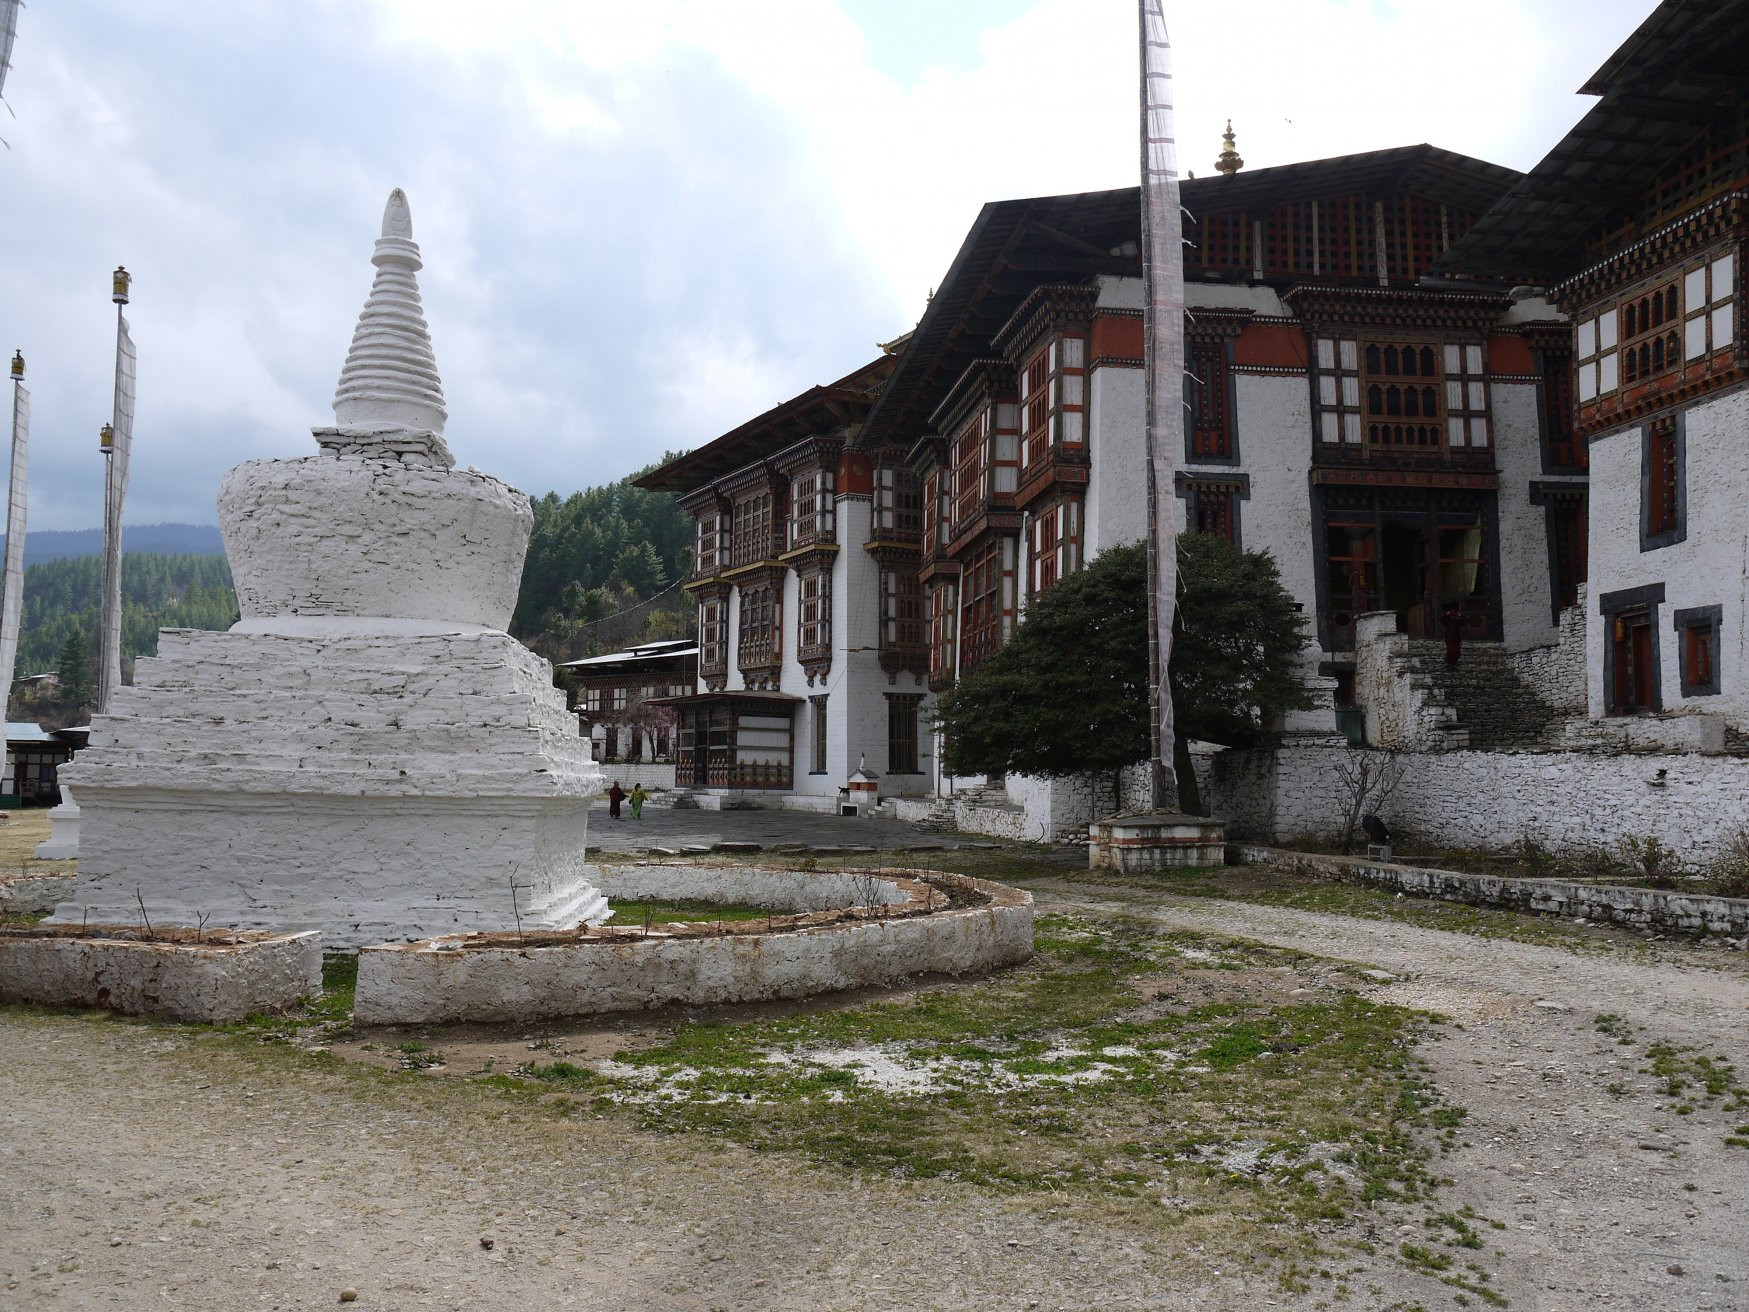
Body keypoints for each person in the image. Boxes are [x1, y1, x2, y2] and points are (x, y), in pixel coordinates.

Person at [1442, 602, 1464, 667]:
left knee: (1456, 651)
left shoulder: (1458, 622)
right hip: (1449, 638)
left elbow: (1464, 621)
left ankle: (1453, 662)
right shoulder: (1447, 621)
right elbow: (1441, 620)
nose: (1453, 617)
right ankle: (1449, 662)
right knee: (1450, 651)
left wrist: (1460, 615)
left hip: (1456, 639)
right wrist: (1446, 615)